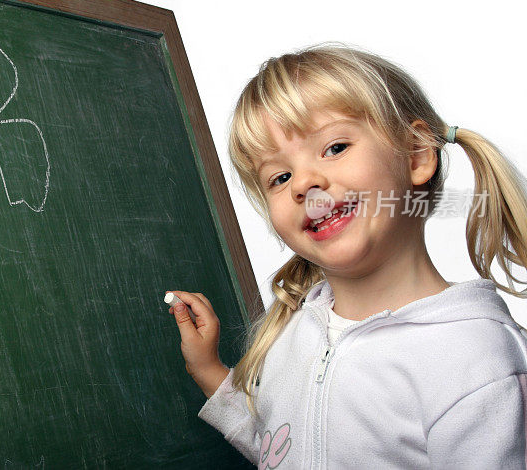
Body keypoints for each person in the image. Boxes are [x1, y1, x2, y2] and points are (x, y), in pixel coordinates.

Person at [166, 44, 527, 467]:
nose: (304, 182)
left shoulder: (477, 361)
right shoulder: (293, 331)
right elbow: (283, 451)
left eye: (335, 148)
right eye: (280, 177)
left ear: (415, 155)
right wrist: (209, 372)